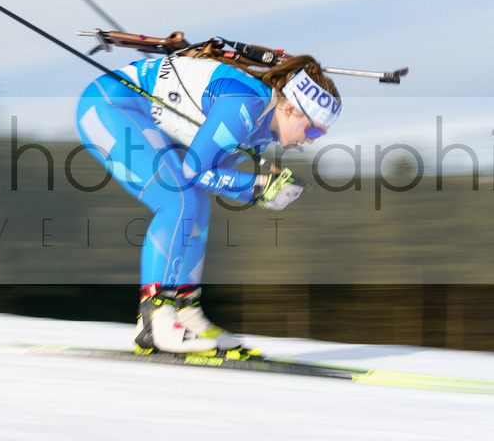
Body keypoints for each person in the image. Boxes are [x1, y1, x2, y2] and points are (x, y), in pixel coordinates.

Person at [75, 42, 341, 356]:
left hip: (131, 108)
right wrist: (258, 188)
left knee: (196, 204)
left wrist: (259, 187)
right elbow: (196, 170)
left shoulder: (262, 128)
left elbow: (211, 178)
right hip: (109, 106)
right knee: (178, 200)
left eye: (318, 136)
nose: (309, 141)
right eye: (311, 131)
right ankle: (155, 319)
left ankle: (186, 311)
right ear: (289, 108)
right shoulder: (247, 104)